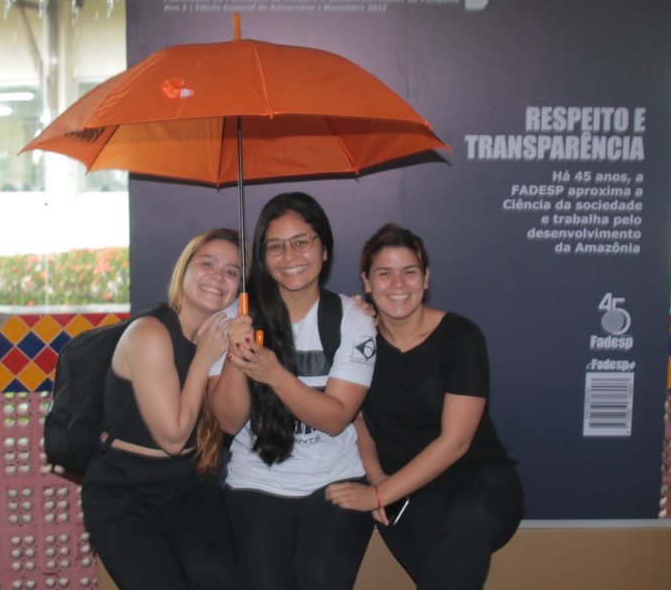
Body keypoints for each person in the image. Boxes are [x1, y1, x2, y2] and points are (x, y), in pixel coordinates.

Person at [325, 223, 523, 590]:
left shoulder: (461, 337)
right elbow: (358, 421)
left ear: (426, 278)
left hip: (477, 477)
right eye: (384, 273)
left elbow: (456, 442)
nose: (398, 284)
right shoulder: (357, 338)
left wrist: (378, 495)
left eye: (409, 272)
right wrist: (377, 477)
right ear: (367, 282)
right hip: (405, 486)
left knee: (469, 522)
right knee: (445, 572)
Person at [208, 192, 377, 590]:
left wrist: (275, 374)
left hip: (335, 480)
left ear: (324, 249)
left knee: (320, 577)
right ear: (262, 257)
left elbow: (336, 418)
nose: (290, 256)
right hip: (255, 482)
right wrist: (236, 354)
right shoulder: (232, 319)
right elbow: (228, 422)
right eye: (275, 247)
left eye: (301, 242)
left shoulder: (352, 320)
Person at [81, 228, 242, 590]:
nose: (218, 276)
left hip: (187, 481)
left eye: (232, 271)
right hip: (122, 491)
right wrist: (204, 358)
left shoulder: (222, 334)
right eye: (207, 263)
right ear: (184, 269)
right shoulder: (150, 333)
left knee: (221, 580)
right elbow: (172, 437)